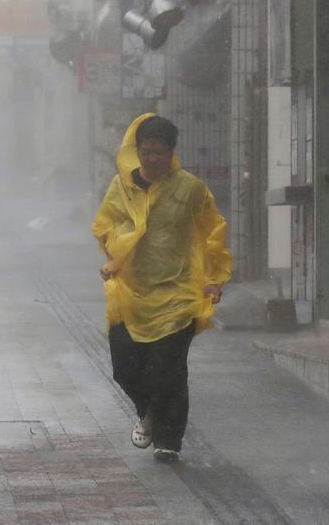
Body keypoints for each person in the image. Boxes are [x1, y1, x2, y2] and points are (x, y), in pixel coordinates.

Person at [91, 113, 232, 462]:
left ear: (171, 152)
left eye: (159, 151)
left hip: (179, 292)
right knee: (125, 365)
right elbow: (105, 225)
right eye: (146, 151)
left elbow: (212, 232)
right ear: (136, 151)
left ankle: (169, 438)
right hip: (132, 292)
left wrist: (214, 279)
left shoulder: (190, 188)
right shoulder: (121, 187)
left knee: (168, 368)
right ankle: (149, 412)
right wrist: (115, 253)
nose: (152, 158)